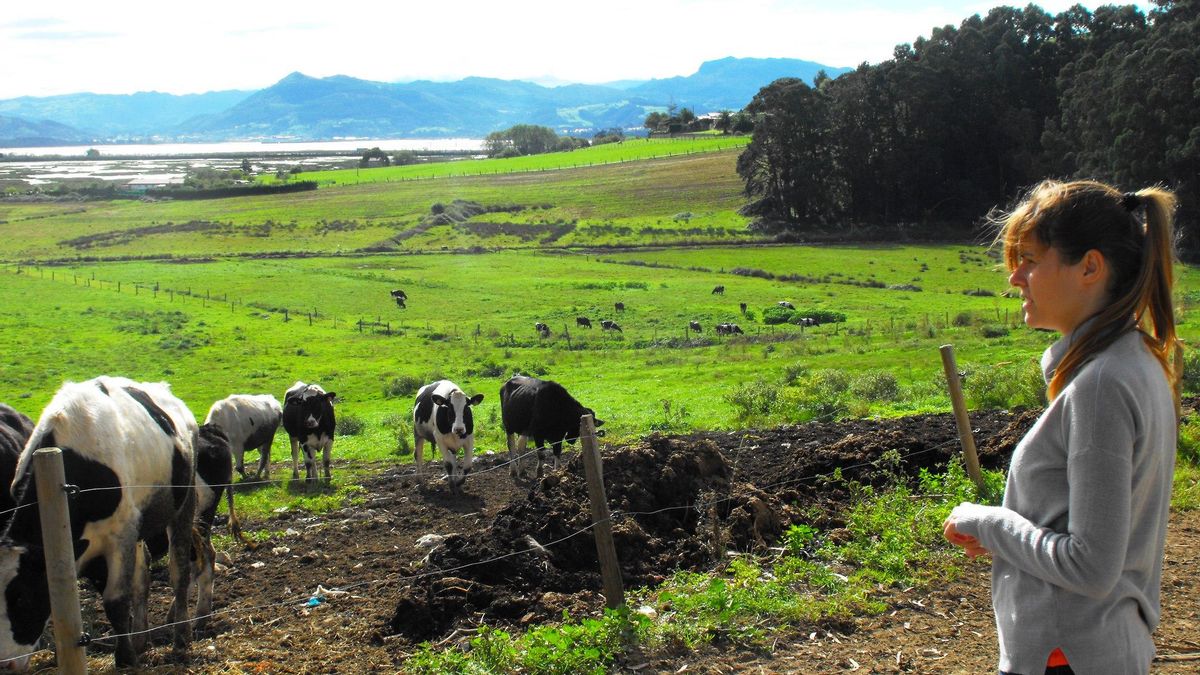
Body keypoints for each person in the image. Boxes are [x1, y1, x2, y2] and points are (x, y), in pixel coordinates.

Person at [942, 179, 1181, 675]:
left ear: (1090, 267)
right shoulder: (1134, 362)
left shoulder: (1101, 386)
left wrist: (989, 522)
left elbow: (1090, 566)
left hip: (1067, 656)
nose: (1015, 277)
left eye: (1029, 259)